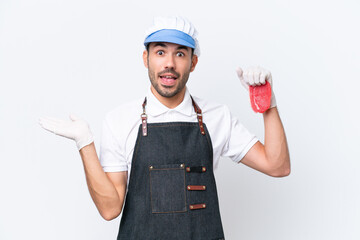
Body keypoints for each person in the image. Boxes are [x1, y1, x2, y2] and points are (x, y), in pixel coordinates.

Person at [39, 16, 290, 240]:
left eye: (180, 54)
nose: (169, 63)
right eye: (160, 52)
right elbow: (110, 208)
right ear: (146, 58)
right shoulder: (120, 120)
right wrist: (85, 144)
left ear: (193, 62)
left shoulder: (217, 117)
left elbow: (277, 166)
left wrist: (267, 103)